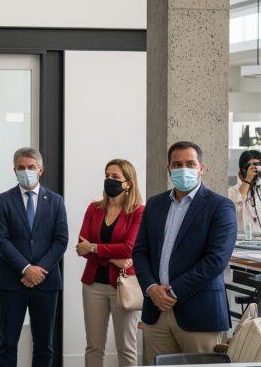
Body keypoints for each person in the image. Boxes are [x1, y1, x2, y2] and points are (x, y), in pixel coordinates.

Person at [132, 141, 237, 364]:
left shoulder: (220, 206)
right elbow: (140, 251)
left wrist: (173, 292)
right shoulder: (155, 204)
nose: (183, 169)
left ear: (201, 168)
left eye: (190, 163)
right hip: (156, 311)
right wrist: (151, 289)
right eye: (177, 164)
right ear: (168, 168)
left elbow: (216, 260)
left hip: (199, 312)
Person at [0, 147, 68, 367]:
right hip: (11, 281)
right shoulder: (3, 200)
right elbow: (1, 240)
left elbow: (61, 240)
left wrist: (39, 270)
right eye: (21, 168)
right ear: (14, 170)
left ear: (40, 170)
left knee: (44, 344)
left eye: (31, 167)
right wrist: (26, 269)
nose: (26, 171)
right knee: (7, 342)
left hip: (46, 282)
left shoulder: (55, 201)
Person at [75, 159, 144, 367]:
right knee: (94, 346)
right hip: (93, 285)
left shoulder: (138, 211)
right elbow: (81, 247)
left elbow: (129, 248)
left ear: (128, 183)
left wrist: (94, 248)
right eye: (107, 176)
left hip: (124, 286)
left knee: (126, 347)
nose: (109, 180)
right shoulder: (94, 208)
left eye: (115, 177)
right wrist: (115, 258)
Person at [229, 149, 261, 239]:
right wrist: (248, 180)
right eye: (253, 165)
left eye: (258, 165)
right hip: (242, 243)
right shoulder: (232, 191)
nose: (256, 169)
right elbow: (233, 208)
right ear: (243, 169)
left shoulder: (259, 190)